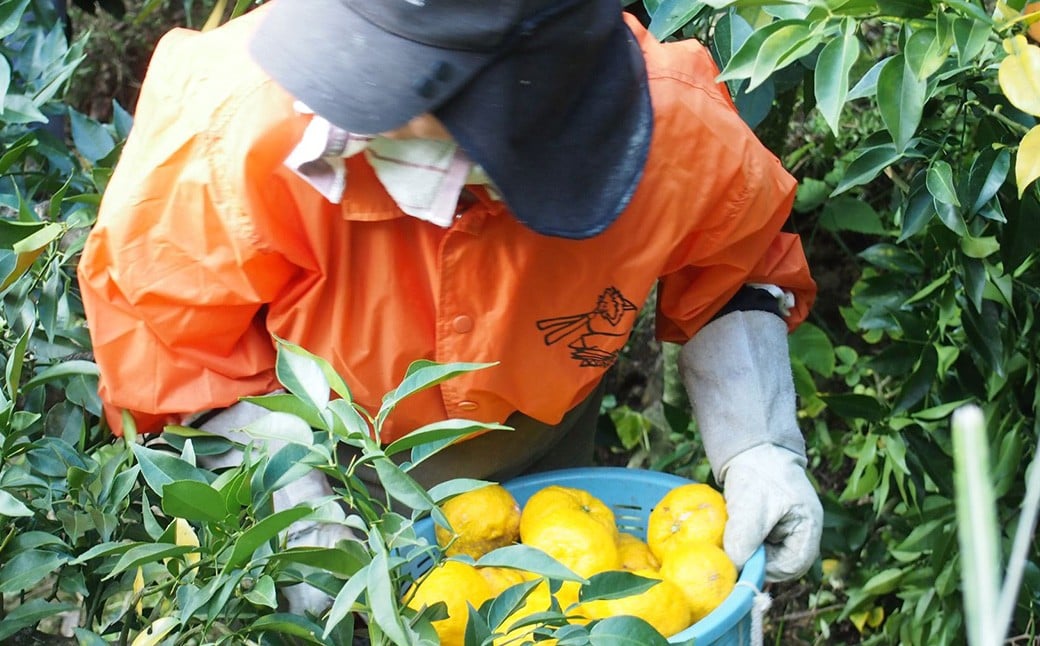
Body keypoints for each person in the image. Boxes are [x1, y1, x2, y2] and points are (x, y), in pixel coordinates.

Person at [77, 0, 824, 614]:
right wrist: (285, 501)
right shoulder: (229, 125)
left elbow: (736, 259)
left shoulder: (669, 129)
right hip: (333, 460)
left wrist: (759, 444)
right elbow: (166, 337)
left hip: (546, 450)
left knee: (557, 610)